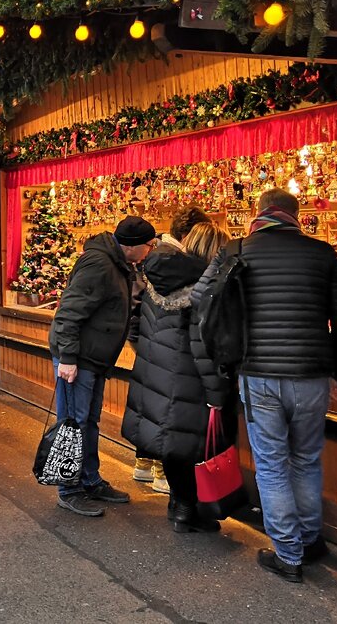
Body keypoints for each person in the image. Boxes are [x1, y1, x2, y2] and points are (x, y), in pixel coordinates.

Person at [192, 189, 337, 583]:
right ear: (295, 215)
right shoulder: (323, 254)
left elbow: (201, 299)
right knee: (306, 458)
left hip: (259, 372)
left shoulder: (237, 249)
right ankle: (310, 539)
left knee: (271, 463)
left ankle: (288, 553)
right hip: (312, 374)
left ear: (259, 212)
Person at [122, 220, 231, 534]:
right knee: (188, 443)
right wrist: (217, 391)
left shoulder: (155, 277)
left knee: (170, 441)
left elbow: (134, 323)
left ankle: (178, 504)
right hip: (188, 375)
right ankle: (187, 508)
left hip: (155, 370)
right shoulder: (203, 290)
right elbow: (203, 344)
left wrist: (151, 354)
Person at [49, 215, 158, 517]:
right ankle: (69, 488)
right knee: (73, 422)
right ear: (133, 246)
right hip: (79, 358)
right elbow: (69, 312)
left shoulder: (117, 265)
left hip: (92, 359)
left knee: (87, 421)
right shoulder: (99, 264)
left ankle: (89, 479)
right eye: (149, 245)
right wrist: (69, 358)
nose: (150, 250)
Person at [132, 207, 213, 491]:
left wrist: (142, 344)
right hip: (177, 356)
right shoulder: (188, 269)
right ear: (188, 235)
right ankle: (165, 475)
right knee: (172, 415)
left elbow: (137, 309)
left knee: (157, 409)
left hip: (154, 350)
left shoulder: (155, 260)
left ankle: (150, 466)